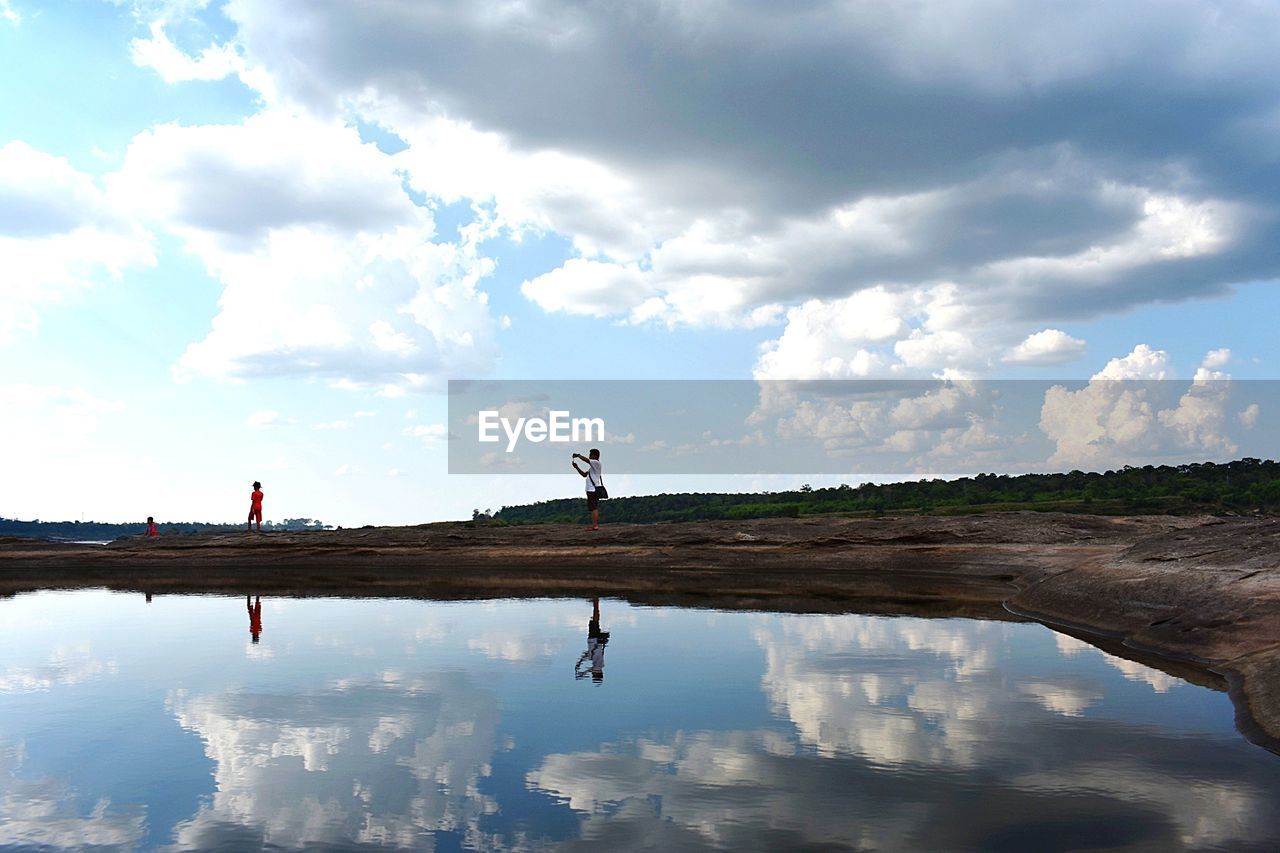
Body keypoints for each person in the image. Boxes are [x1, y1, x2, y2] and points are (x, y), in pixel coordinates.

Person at [575, 596, 610, 683]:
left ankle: (595, 602)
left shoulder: (598, 664)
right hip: (594, 640)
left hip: (595, 640)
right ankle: (595, 601)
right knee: (595, 620)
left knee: (595, 620)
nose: (592, 674)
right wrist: (582, 671)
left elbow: (590, 656)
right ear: (596, 674)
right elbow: (589, 668)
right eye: (593, 675)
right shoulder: (598, 666)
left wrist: (581, 660)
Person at [571, 449, 605, 530]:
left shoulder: (596, 463)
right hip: (592, 489)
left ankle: (595, 526)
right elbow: (584, 475)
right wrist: (576, 467)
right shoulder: (593, 467)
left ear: (595, 456)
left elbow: (586, 460)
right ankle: (594, 525)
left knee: (593, 508)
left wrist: (578, 455)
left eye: (590, 454)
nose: (589, 456)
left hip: (592, 489)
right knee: (593, 507)